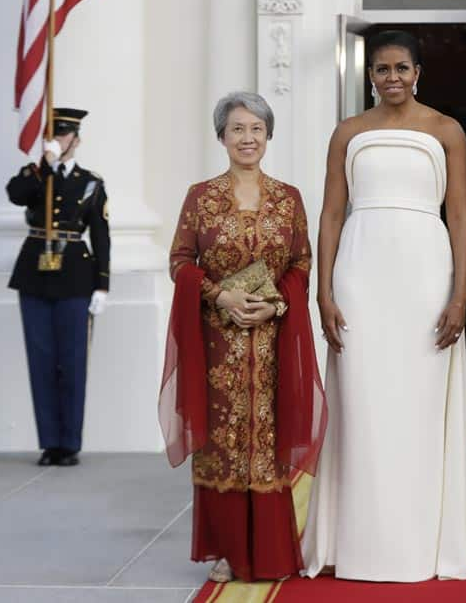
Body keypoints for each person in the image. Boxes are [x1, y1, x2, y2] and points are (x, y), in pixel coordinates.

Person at [302, 30, 466, 582]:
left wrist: (460, 293)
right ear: (369, 76)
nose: (392, 78)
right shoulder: (348, 132)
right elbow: (331, 214)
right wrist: (324, 290)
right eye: (382, 69)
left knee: (419, 409)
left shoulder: (447, 130)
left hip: (426, 278)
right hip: (360, 278)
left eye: (401, 68)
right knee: (361, 409)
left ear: (417, 72)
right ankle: (357, 544)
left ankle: (421, 546)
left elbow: (460, 216)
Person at [160, 91, 326, 583]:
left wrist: (276, 303)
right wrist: (219, 297)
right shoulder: (201, 196)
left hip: (272, 341)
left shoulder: (288, 197)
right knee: (225, 443)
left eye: (256, 129)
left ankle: (272, 554)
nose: (247, 138)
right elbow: (180, 262)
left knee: (266, 441)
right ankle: (228, 550)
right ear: (221, 137)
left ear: (268, 136)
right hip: (217, 344)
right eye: (237, 129)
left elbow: (300, 262)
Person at [6, 107, 110, 467]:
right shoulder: (36, 175)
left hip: (76, 276)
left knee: (72, 361)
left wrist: (102, 286)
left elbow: (101, 235)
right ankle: (50, 443)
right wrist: (44, 163)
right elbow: (16, 195)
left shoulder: (90, 182)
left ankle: (70, 443)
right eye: (53, 135)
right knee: (42, 360)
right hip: (35, 273)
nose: (57, 140)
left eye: (64, 135)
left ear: (76, 140)